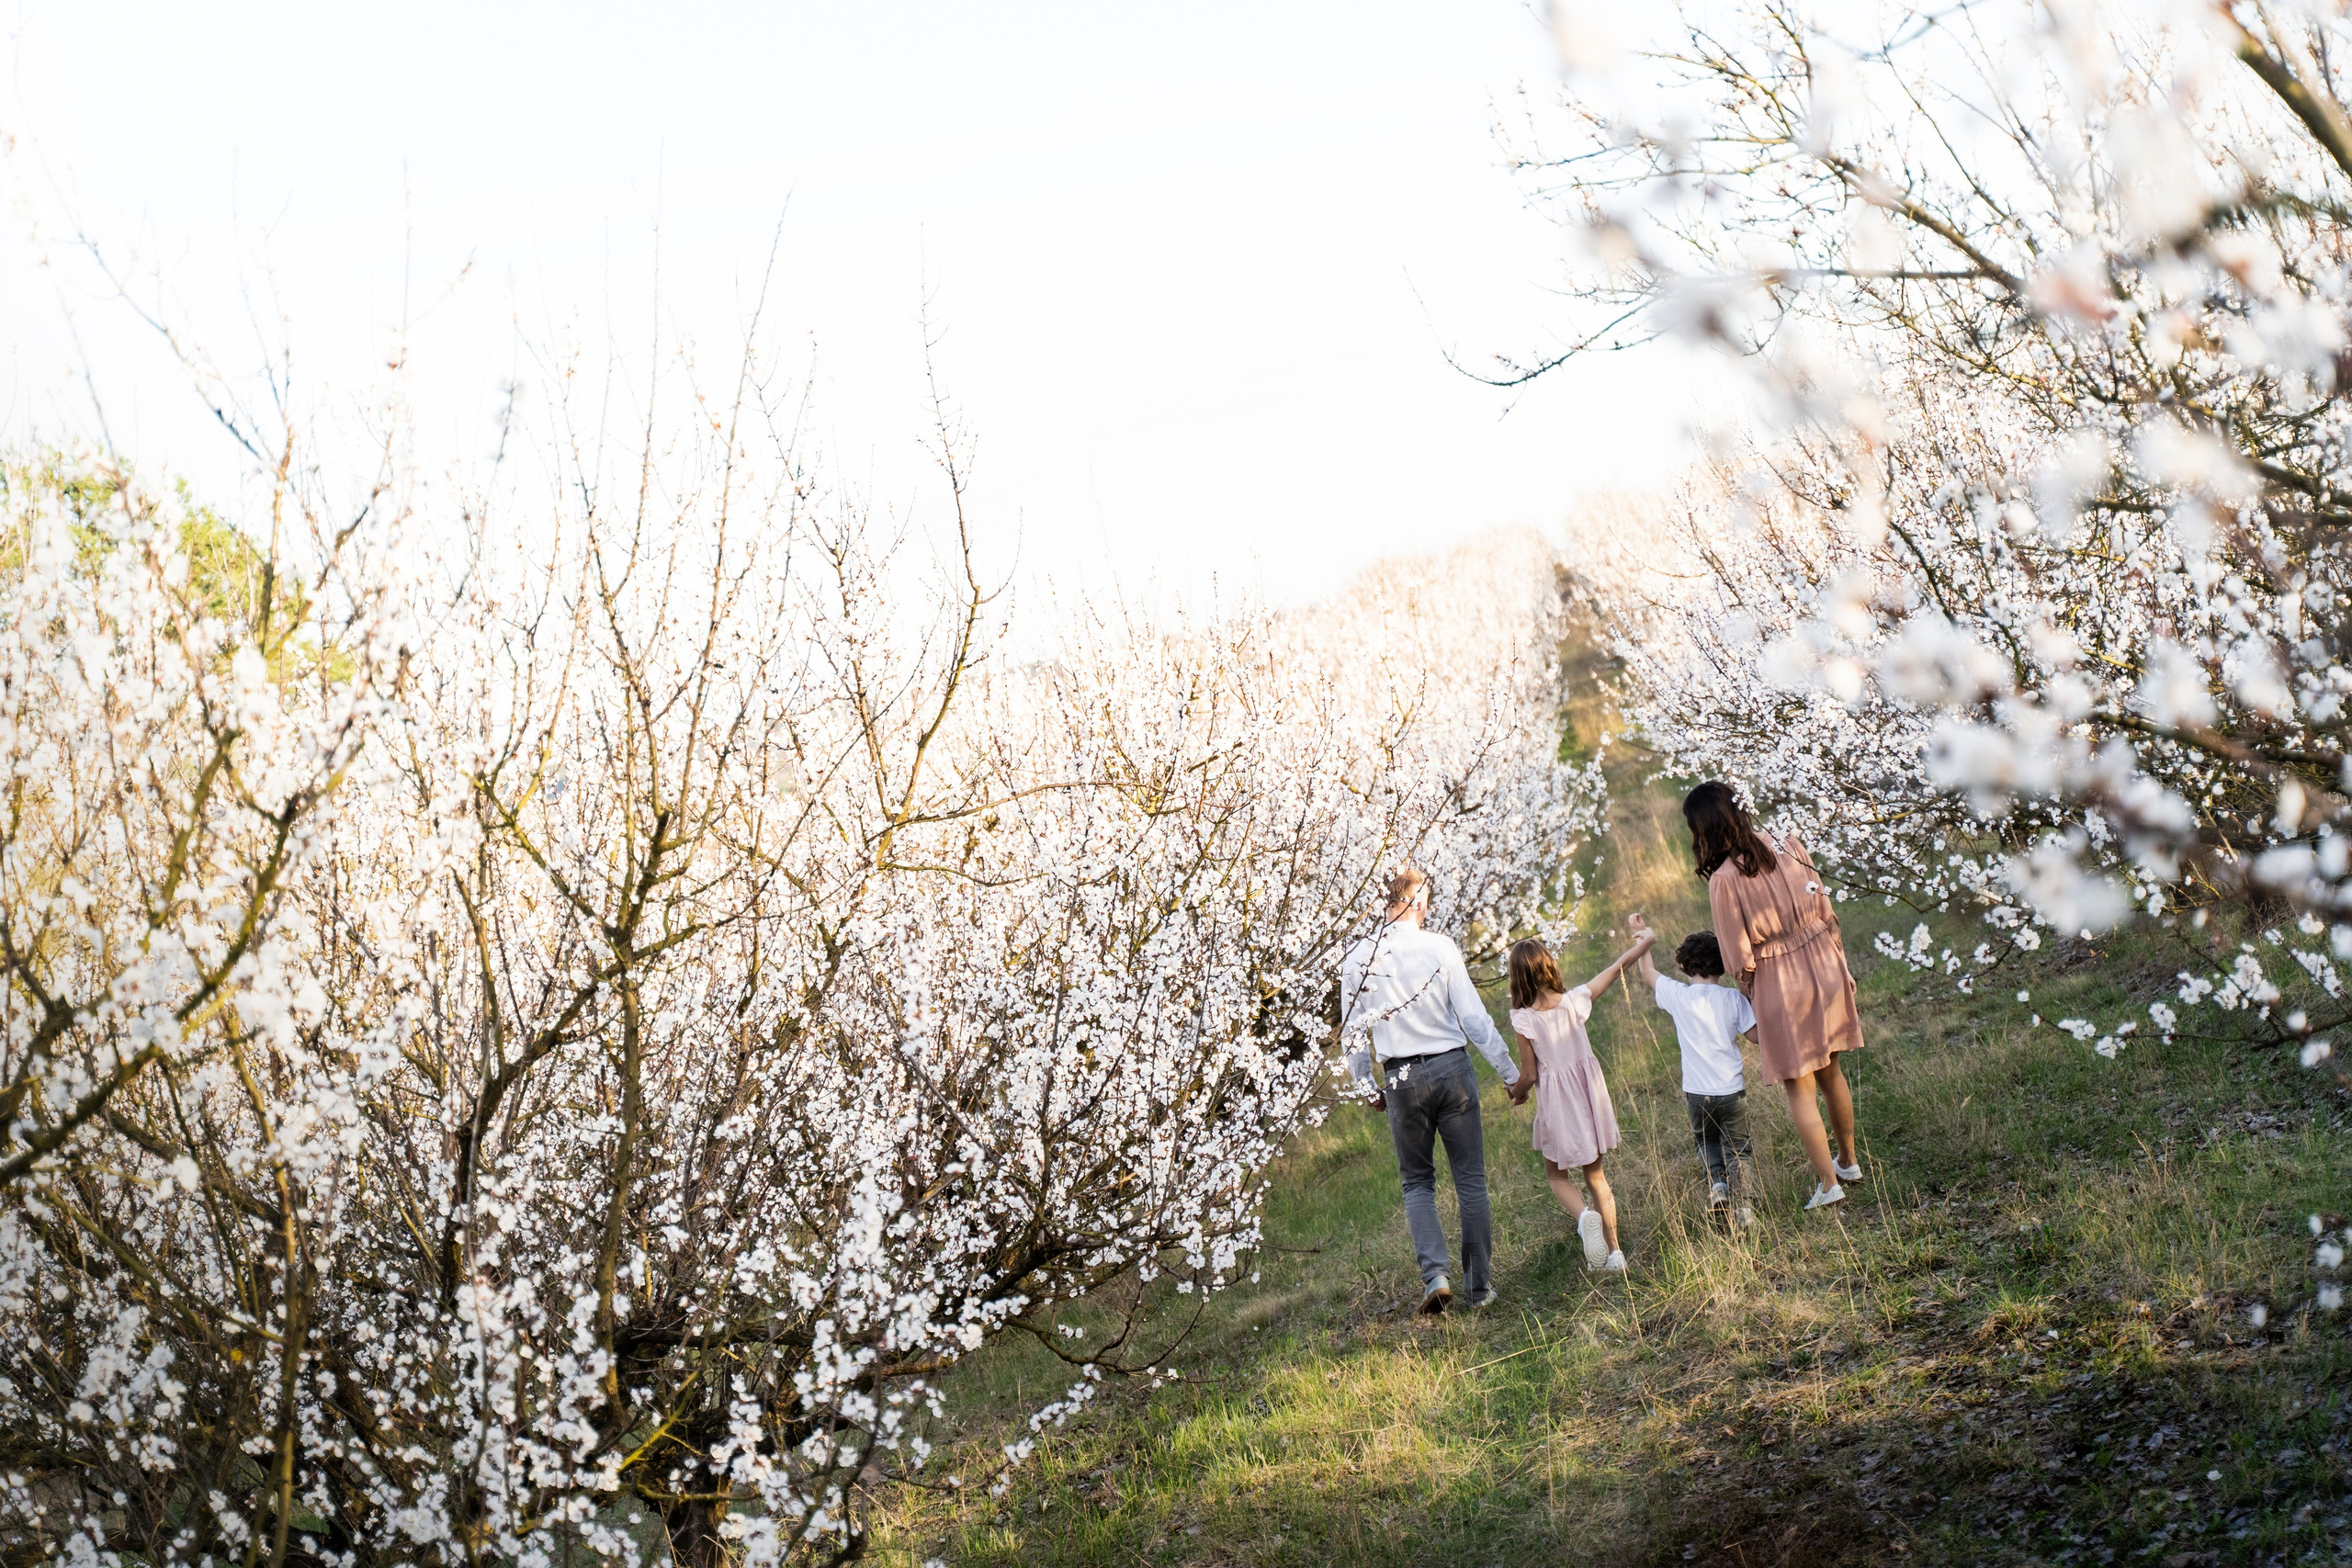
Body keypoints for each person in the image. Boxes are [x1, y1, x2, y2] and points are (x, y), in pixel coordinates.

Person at [1340, 867, 1526, 1315]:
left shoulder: (1358, 957)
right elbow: (1475, 1019)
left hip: (1401, 1078)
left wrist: (1365, 1084)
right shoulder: (1439, 947)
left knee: (1417, 1182)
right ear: (1418, 903)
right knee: (1471, 1180)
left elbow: (1350, 1034)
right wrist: (1508, 1072)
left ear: (1390, 901)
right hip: (1452, 1069)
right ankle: (1479, 1289)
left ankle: (1436, 1277)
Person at [1683, 781, 1867, 1212]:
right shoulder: (1790, 842)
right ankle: (1848, 1162)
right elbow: (1826, 909)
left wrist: (1756, 991)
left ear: (1705, 827)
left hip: (1781, 981)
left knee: (1799, 1088)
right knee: (1831, 1073)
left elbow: (1737, 957)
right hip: (1825, 962)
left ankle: (1828, 1184)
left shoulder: (1725, 880)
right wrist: (1841, 966)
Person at [1504, 926, 1653, 1274]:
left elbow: (1530, 1074)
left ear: (1517, 980)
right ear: (1550, 968)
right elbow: (1618, 967)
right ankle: (1616, 1253)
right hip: (1588, 1098)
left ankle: (1585, 1217)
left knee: (1556, 1175)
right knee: (1596, 1177)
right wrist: (1645, 941)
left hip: (1557, 1102)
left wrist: (1517, 1092)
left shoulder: (1523, 1017)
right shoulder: (1574, 1001)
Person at [1630, 914, 1757, 1224]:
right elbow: (1755, 1036)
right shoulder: (1732, 998)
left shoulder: (1679, 995)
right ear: (1721, 965)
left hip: (1697, 1094)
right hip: (1731, 1091)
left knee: (1707, 1141)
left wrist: (1642, 937)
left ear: (1685, 966)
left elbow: (1647, 970)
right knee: (1739, 1148)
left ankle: (1718, 1188)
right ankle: (1746, 1208)